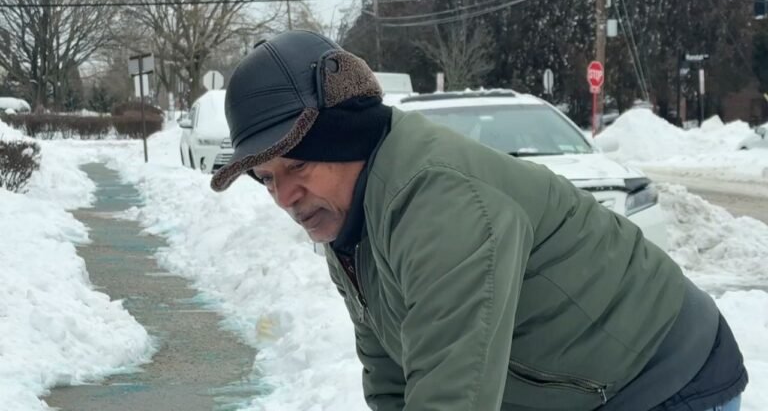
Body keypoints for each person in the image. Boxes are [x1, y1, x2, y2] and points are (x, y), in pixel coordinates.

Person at [210, 30, 748, 411]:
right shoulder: (349, 220)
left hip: (664, 377)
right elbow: (390, 373)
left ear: (346, 142)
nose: (284, 197)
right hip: (579, 388)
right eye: (266, 177)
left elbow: (452, 396)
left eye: (298, 166)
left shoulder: (442, 204)